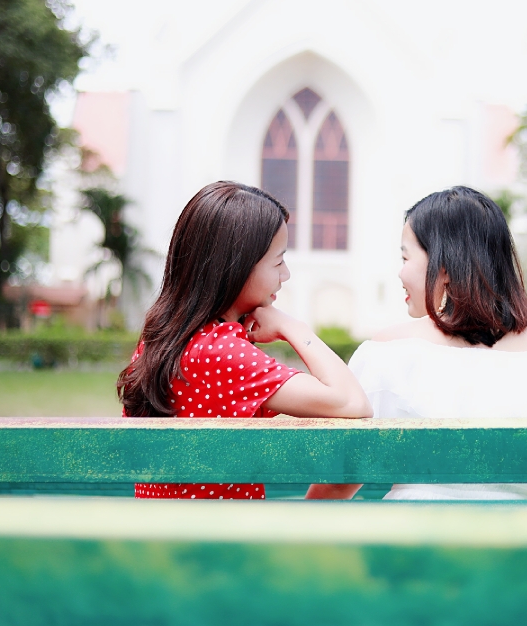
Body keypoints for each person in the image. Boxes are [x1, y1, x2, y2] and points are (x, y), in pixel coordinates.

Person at [307, 186, 527, 501]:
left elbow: (337, 482)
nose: (400, 271)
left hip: (408, 543)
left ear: (444, 268)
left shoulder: (388, 352)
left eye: (405, 257)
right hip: (513, 542)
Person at [118, 181, 372, 499]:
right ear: (236, 268)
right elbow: (352, 402)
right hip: (224, 543)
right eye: (278, 261)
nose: (286, 274)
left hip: (164, 538)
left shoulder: (163, 337)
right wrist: (292, 328)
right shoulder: (219, 351)